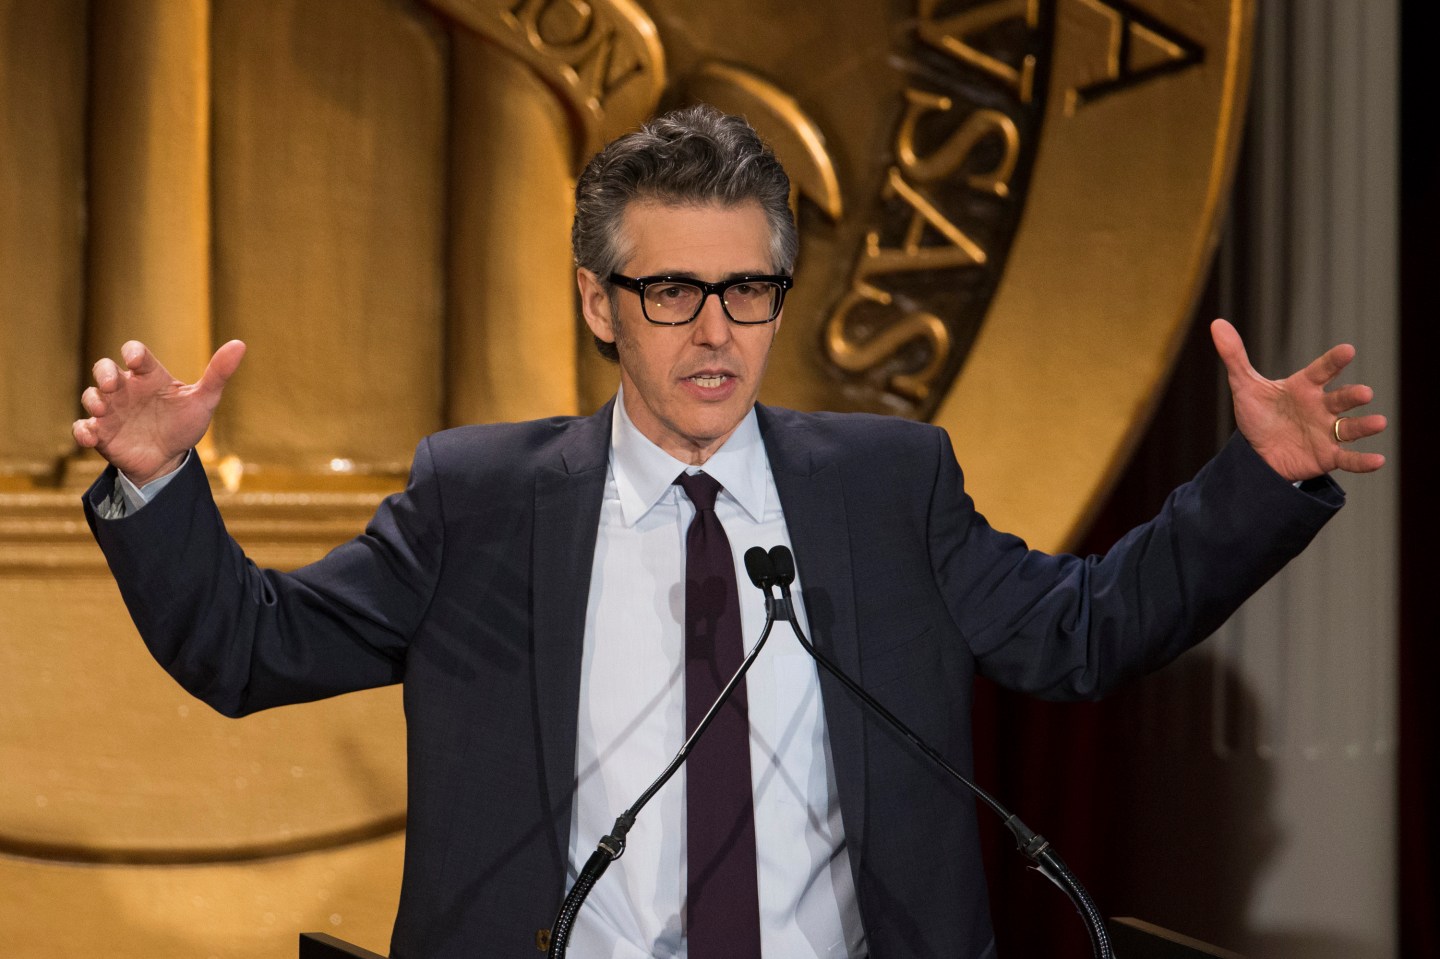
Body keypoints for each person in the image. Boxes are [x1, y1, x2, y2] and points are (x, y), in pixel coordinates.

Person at [73, 106, 1386, 959]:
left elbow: (1082, 635)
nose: (715, 330)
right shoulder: (479, 503)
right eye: (672, 291)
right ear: (600, 303)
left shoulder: (889, 487)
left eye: (748, 288)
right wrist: (159, 481)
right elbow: (250, 649)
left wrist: (1259, 482)